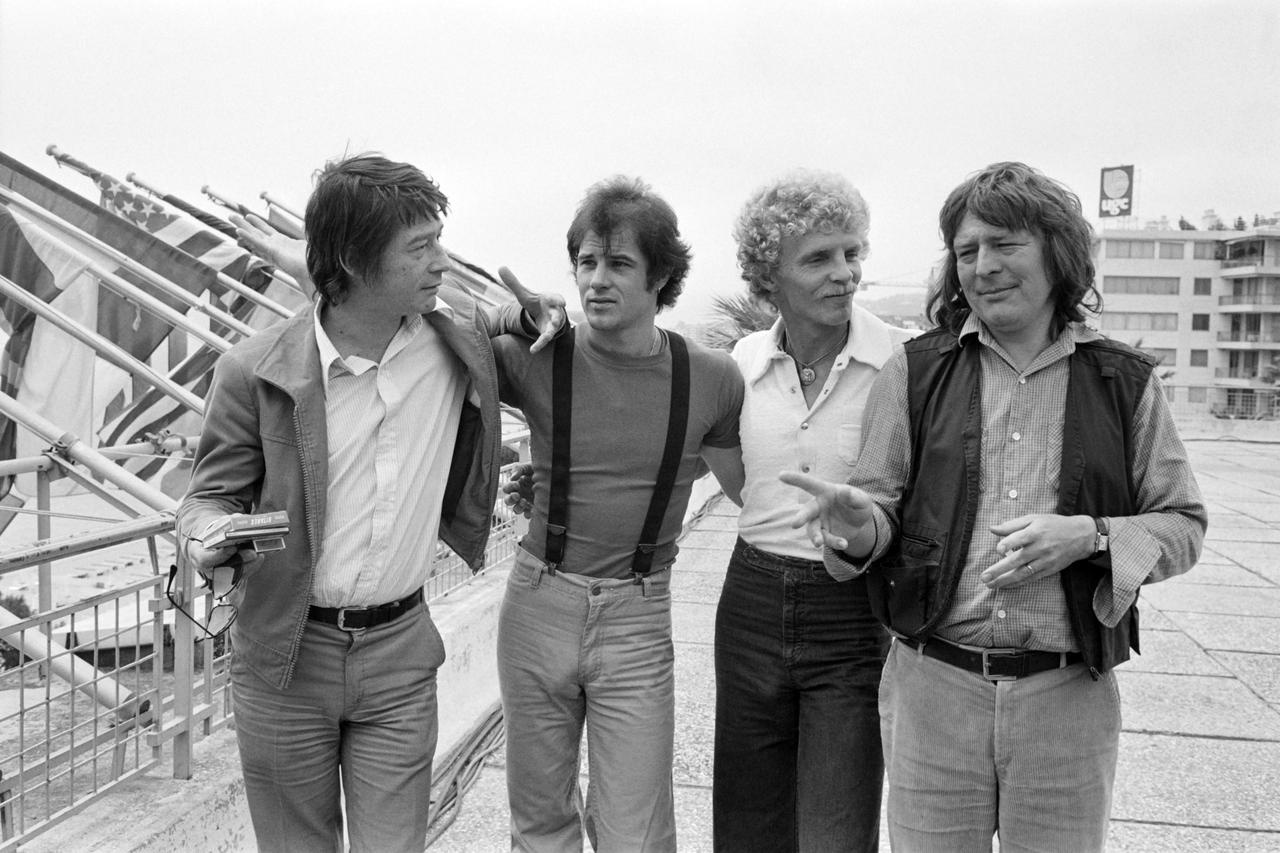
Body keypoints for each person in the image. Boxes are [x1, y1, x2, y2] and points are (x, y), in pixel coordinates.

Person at [783, 161, 1207, 852]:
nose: (984, 266)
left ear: (1056, 252)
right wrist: (859, 529)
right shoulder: (914, 371)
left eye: (1005, 243)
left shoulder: (1123, 382)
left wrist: (1091, 537)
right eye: (967, 250)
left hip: (1067, 699)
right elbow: (876, 513)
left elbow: (1182, 525)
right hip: (933, 689)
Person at [176, 153, 563, 853]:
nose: (442, 261)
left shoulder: (457, 341)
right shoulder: (251, 371)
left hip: (400, 654)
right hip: (284, 658)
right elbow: (206, 496)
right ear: (354, 263)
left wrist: (536, 314)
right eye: (420, 248)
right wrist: (209, 535)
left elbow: (507, 324)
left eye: (439, 240)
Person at [493, 175, 744, 853]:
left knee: (636, 831)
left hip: (637, 616)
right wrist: (512, 316)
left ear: (661, 277)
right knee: (540, 823)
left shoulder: (712, 377)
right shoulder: (539, 356)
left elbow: (750, 491)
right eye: (587, 262)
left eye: (620, 264)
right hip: (538, 601)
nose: (597, 281)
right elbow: (435, 336)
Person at [713, 171, 914, 853]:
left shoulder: (900, 360)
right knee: (747, 825)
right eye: (820, 258)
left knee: (835, 828)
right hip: (750, 602)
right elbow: (740, 481)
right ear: (770, 276)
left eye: (852, 252)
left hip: (852, 606)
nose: (846, 273)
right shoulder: (741, 363)